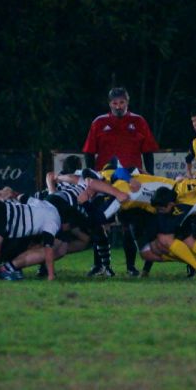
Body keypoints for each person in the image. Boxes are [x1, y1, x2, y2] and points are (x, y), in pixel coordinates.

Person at [82, 87, 159, 276]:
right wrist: (93, 175)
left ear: (127, 102)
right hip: (106, 180)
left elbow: (148, 150)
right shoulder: (99, 122)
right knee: (100, 222)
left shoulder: (138, 121)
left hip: (132, 180)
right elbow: (89, 151)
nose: (118, 106)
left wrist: (149, 173)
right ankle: (99, 265)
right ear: (110, 104)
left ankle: (131, 267)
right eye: (115, 103)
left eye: (122, 102)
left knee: (129, 224)